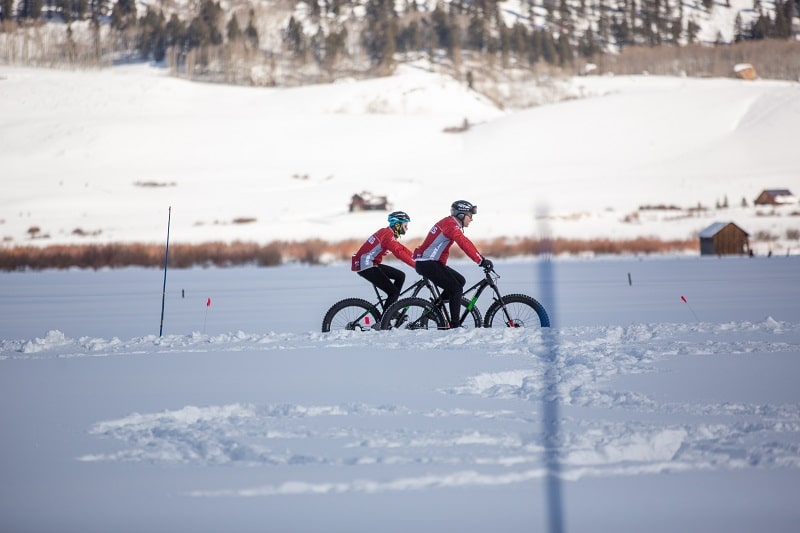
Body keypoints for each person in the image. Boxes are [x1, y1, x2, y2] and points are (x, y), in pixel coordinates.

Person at [413, 200, 492, 328]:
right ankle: (455, 326)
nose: (471, 219)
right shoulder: (451, 225)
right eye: (470, 215)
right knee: (456, 289)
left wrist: (442, 266)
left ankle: (435, 310)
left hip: (430, 262)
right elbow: (463, 243)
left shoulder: (449, 223)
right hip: (427, 263)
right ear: (461, 215)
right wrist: (480, 260)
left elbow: (442, 250)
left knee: (460, 281)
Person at [351, 211, 415, 311]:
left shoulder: (388, 233)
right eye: (405, 225)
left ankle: (390, 311)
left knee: (400, 276)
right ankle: (384, 321)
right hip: (366, 265)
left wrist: (417, 257)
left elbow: (402, 248)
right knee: (393, 293)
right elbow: (399, 253)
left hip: (370, 264)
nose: (407, 228)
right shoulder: (388, 236)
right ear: (397, 225)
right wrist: (416, 265)